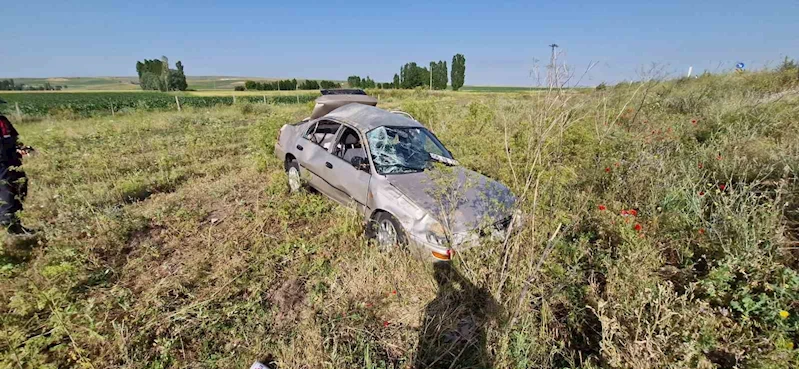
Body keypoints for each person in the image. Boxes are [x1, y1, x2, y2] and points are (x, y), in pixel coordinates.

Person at [0, 99, 32, 234]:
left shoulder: (3, 120)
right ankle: (10, 228)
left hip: (13, 161)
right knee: (7, 191)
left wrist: (21, 148)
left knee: (20, 187)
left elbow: (14, 139)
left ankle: (16, 224)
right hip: (1, 163)